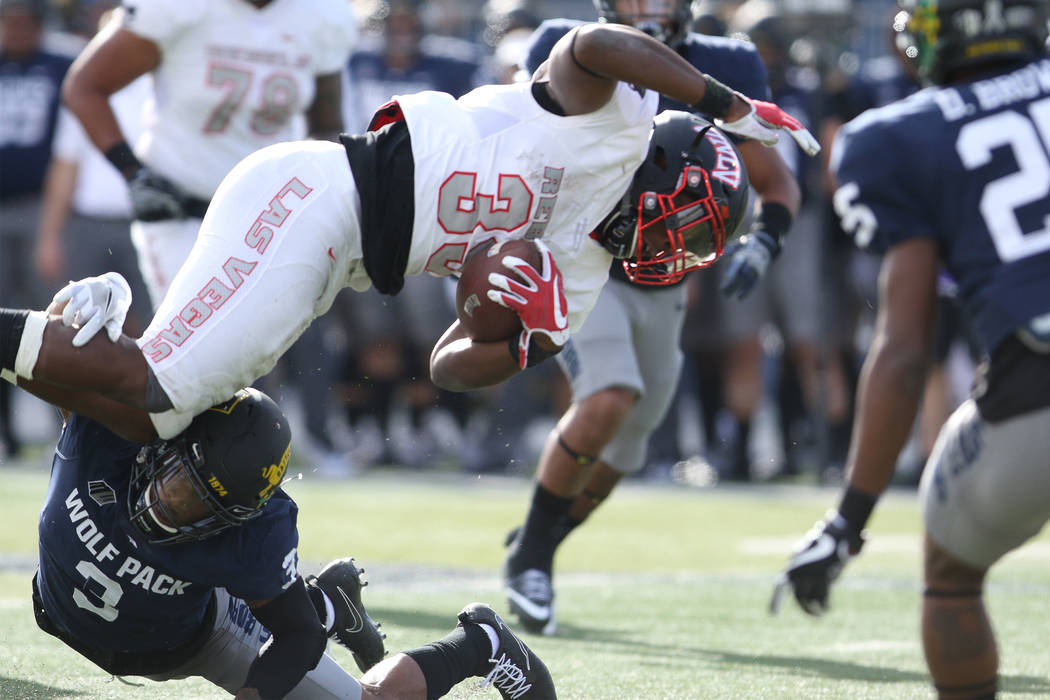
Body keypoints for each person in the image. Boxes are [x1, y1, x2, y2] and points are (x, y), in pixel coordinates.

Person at [0, 21, 816, 452]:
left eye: (694, 242)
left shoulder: (585, 269)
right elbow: (593, 43)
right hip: (322, 195)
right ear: (664, 164)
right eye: (684, 219)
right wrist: (730, 104)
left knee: (154, 420)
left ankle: (65, 326)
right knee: (159, 385)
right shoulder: (613, 120)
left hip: (342, 252)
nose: (672, 246)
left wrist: (510, 331)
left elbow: (450, 368)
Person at [499, 0, 810, 635]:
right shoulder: (570, 45)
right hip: (583, 263)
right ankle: (531, 561)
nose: (652, 8)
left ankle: (536, 541)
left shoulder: (727, 64)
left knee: (628, 448)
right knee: (609, 396)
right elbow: (523, 148)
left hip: (666, 282)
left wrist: (765, 240)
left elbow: (773, 178)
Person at [771, 2, 1050, 699]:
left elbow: (902, 350)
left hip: (1036, 394)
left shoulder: (896, 137)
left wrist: (849, 520)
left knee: (951, 571)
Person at [15, 357, 556, 699]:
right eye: (178, 481)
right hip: (67, 612)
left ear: (242, 514)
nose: (170, 507)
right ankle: (330, 603)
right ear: (168, 442)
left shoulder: (257, 530)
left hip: (199, 638)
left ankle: (478, 643)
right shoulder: (109, 424)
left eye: (204, 507)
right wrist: (77, 312)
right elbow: (37, 353)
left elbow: (296, 635)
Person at [60, 0, 359, 472]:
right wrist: (133, 172)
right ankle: (171, 475)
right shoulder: (179, 7)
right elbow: (84, 86)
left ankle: (261, 465)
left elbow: (326, 124)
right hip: (183, 211)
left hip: (271, 213)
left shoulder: (321, 15)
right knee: (196, 361)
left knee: (274, 347)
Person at [0, 0, 74, 459]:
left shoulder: (60, 65)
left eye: (24, 22)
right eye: (9, 22)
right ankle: (6, 434)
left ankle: (59, 429)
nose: (16, 30)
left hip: (40, 207)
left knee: (48, 322)